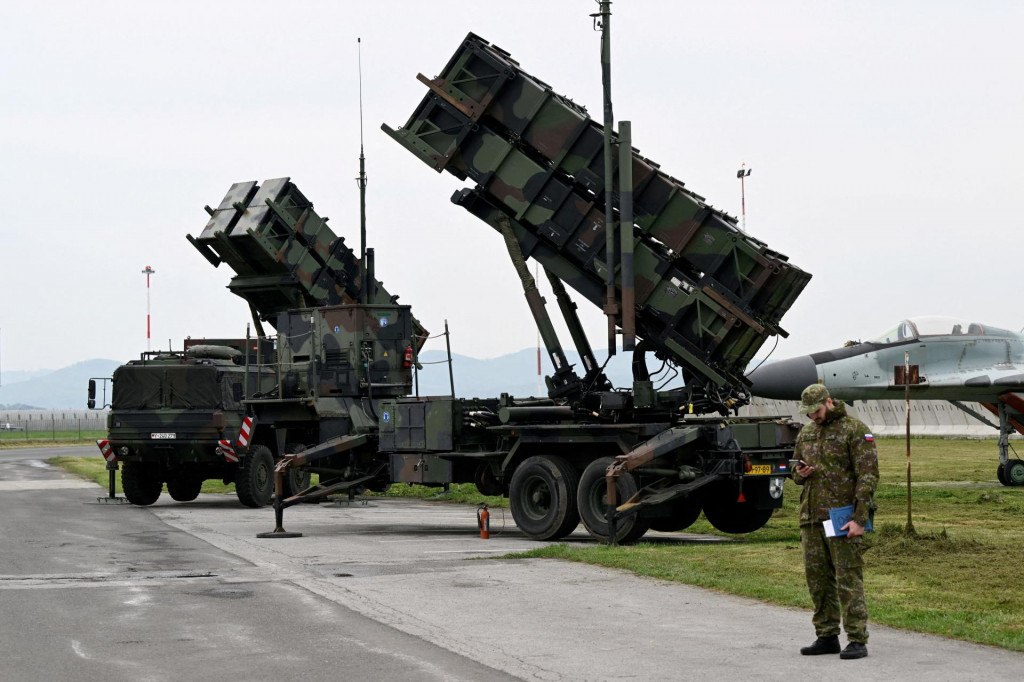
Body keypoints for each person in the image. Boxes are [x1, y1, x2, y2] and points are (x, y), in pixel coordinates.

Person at [792, 384, 879, 660]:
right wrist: (800, 473)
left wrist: (859, 519)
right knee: (817, 581)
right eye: (808, 414)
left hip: (842, 518)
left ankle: (857, 638)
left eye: (816, 411)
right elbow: (795, 471)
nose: (812, 417)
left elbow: (867, 477)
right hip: (812, 517)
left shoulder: (854, 429)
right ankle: (826, 635)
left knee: (848, 578)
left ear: (829, 402)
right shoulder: (806, 433)